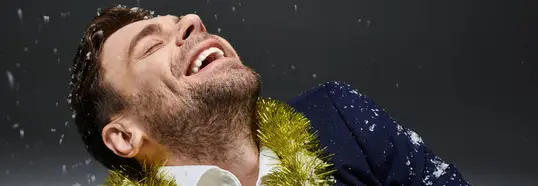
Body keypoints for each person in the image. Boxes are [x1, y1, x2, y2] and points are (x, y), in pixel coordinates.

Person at [68, 5, 470, 186]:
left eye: (181, 22)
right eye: (151, 47)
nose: (193, 21)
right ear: (125, 137)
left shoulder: (341, 119)